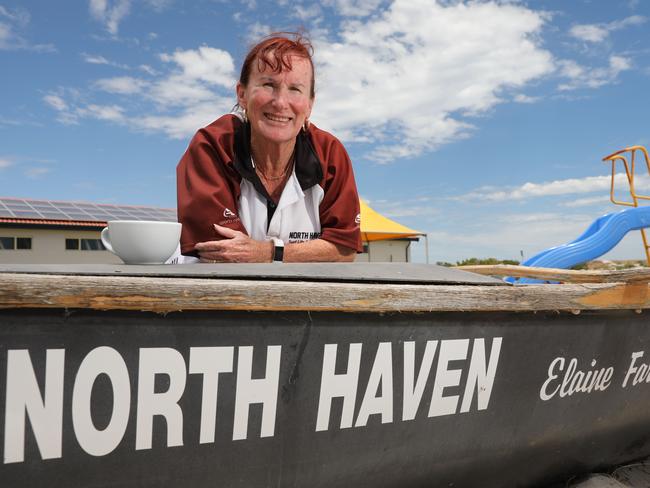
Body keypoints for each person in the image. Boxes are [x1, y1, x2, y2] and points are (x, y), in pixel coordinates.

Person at [176, 33, 362, 263]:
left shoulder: (330, 155)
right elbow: (221, 252)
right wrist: (309, 253)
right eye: (268, 84)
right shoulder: (213, 145)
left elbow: (344, 250)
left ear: (310, 105)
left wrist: (269, 252)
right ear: (242, 94)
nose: (281, 102)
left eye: (295, 89)